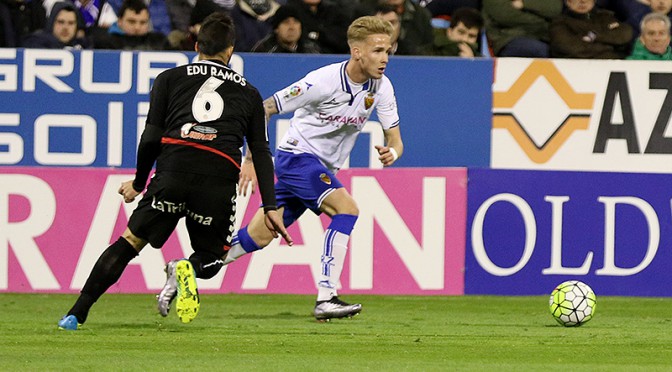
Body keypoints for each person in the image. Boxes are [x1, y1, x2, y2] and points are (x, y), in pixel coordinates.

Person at [158, 15, 404, 322]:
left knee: (256, 238)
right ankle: (327, 296)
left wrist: (391, 152)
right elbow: (265, 108)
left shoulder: (381, 88)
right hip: (297, 159)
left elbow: (394, 138)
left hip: (318, 169)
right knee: (347, 210)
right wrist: (250, 158)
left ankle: (184, 270)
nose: (385, 58)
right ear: (357, 52)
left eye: (387, 50)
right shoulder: (323, 82)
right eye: (377, 50)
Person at [57, 12, 291, 331]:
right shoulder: (250, 94)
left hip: (173, 170)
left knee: (129, 242)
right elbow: (261, 152)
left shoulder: (168, 78)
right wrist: (270, 206)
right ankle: (184, 267)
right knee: (210, 259)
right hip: (218, 177)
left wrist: (140, 182)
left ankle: (75, 314)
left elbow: (151, 137)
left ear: (196, 45)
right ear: (231, 51)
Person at [550, 0, 633, 59]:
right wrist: (610, 47)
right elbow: (570, 48)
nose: (582, 1)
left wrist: (594, 36)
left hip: (611, 67)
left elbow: (625, 34)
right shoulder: (560, 22)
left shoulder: (605, 17)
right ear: (568, 2)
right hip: (576, 70)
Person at [482, 0, 563, 57]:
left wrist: (524, 3)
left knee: (567, 50)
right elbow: (505, 16)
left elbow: (555, 8)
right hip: (508, 38)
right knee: (541, 51)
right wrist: (543, 21)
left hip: (544, 36)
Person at [92, 0, 167, 50]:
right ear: (119, 21)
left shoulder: (159, 42)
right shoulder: (105, 44)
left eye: (143, 22)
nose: (137, 27)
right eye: (131, 21)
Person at [251, 4, 321, 53]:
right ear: (276, 29)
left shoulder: (312, 50)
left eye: (296, 22)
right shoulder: (264, 50)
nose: (292, 27)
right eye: (286, 22)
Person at [22, 1, 91, 49]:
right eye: (61, 22)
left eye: (71, 23)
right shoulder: (34, 45)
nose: (65, 27)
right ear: (51, 22)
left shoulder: (85, 47)